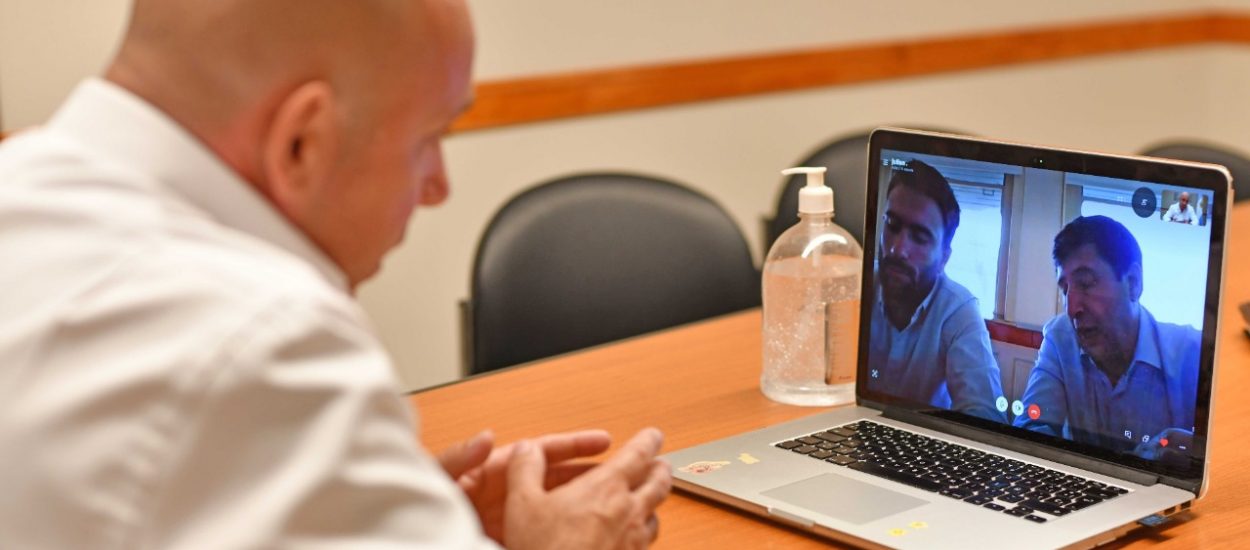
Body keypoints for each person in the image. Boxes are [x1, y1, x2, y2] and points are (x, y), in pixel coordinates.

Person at [0, 1, 670, 548]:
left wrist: (380, 508)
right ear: (303, 141)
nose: (438, 187)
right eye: (429, 139)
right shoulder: (263, 338)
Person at [1013, 216, 1200, 459]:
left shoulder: (1193, 353)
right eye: (1065, 290)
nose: (1071, 309)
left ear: (1133, 283)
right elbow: (1030, 431)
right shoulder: (1060, 337)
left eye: (1086, 283)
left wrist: (1197, 451)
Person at [866, 160, 1007, 422]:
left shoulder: (959, 309)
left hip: (926, 443)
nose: (897, 249)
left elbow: (986, 416)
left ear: (944, 257)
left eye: (919, 237)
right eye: (892, 225)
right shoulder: (860, 284)